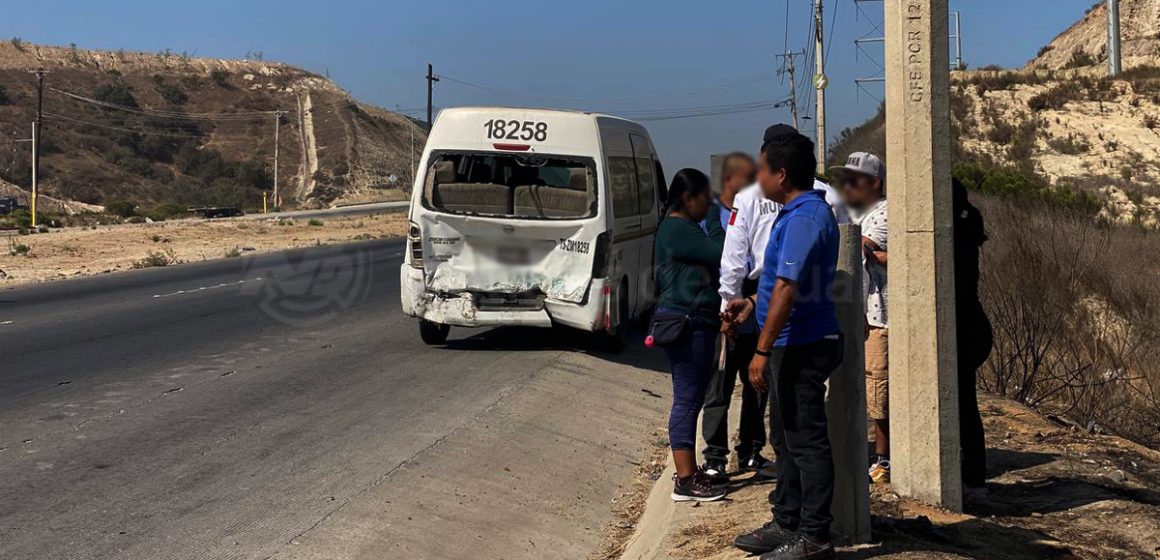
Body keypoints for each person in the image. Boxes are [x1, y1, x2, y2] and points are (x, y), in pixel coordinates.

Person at [728, 132, 841, 560]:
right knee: (786, 437)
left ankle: (814, 537)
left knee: (806, 441)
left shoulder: (806, 218)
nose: (756, 178)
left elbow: (789, 289)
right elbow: (779, 283)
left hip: (803, 343)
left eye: (761, 170)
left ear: (781, 174)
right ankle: (787, 521)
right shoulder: (795, 213)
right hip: (791, 341)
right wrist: (751, 302)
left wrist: (761, 350)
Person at [699, 152, 775, 480]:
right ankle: (715, 456)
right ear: (730, 179)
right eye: (748, 175)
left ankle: (751, 450)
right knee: (720, 385)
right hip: (726, 304)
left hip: (756, 299)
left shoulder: (763, 206)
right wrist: (724, 309)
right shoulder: (712, 217)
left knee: (757, 382)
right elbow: (718, 262)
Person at [653, 168, 728, 502]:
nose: (707, 206)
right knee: (686, 399)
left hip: (693, 320)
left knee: (693, 397)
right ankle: (685, 479)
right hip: (687, 322)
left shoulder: (679, 227)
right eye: (704, 200)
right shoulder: (677, 228)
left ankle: (689, 472)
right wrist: (714, 219)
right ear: (688, 199)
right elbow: (721, 251)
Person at [831, 152, 891, 483]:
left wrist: (876, 253)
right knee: (869, 385)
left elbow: (858, 246)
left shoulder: (885, 213)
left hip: (880, 315)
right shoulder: (857, 212)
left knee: (879, 386)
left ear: (874, 183)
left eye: (854, 180)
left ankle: (885, 458)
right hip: (863, 312)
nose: (847, 186)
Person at [952, 178, 992, 507]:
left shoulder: (952, 239)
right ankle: (973, 480)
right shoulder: (967, 228)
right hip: (973, 328)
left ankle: (973, 482)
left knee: (964, 408)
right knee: (966, 406)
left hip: (962, 330)